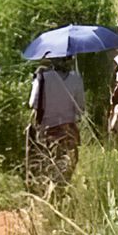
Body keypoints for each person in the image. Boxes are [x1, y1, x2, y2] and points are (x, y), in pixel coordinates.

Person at [26, 58, 84, 192]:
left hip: (47, 130)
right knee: (68, 165)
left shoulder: (42, 78)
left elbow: (32, 103)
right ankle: (61, 192)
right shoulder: (76, 79)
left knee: (47, 164)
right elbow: (80, 108)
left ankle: (49, 192)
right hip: (69, 130)